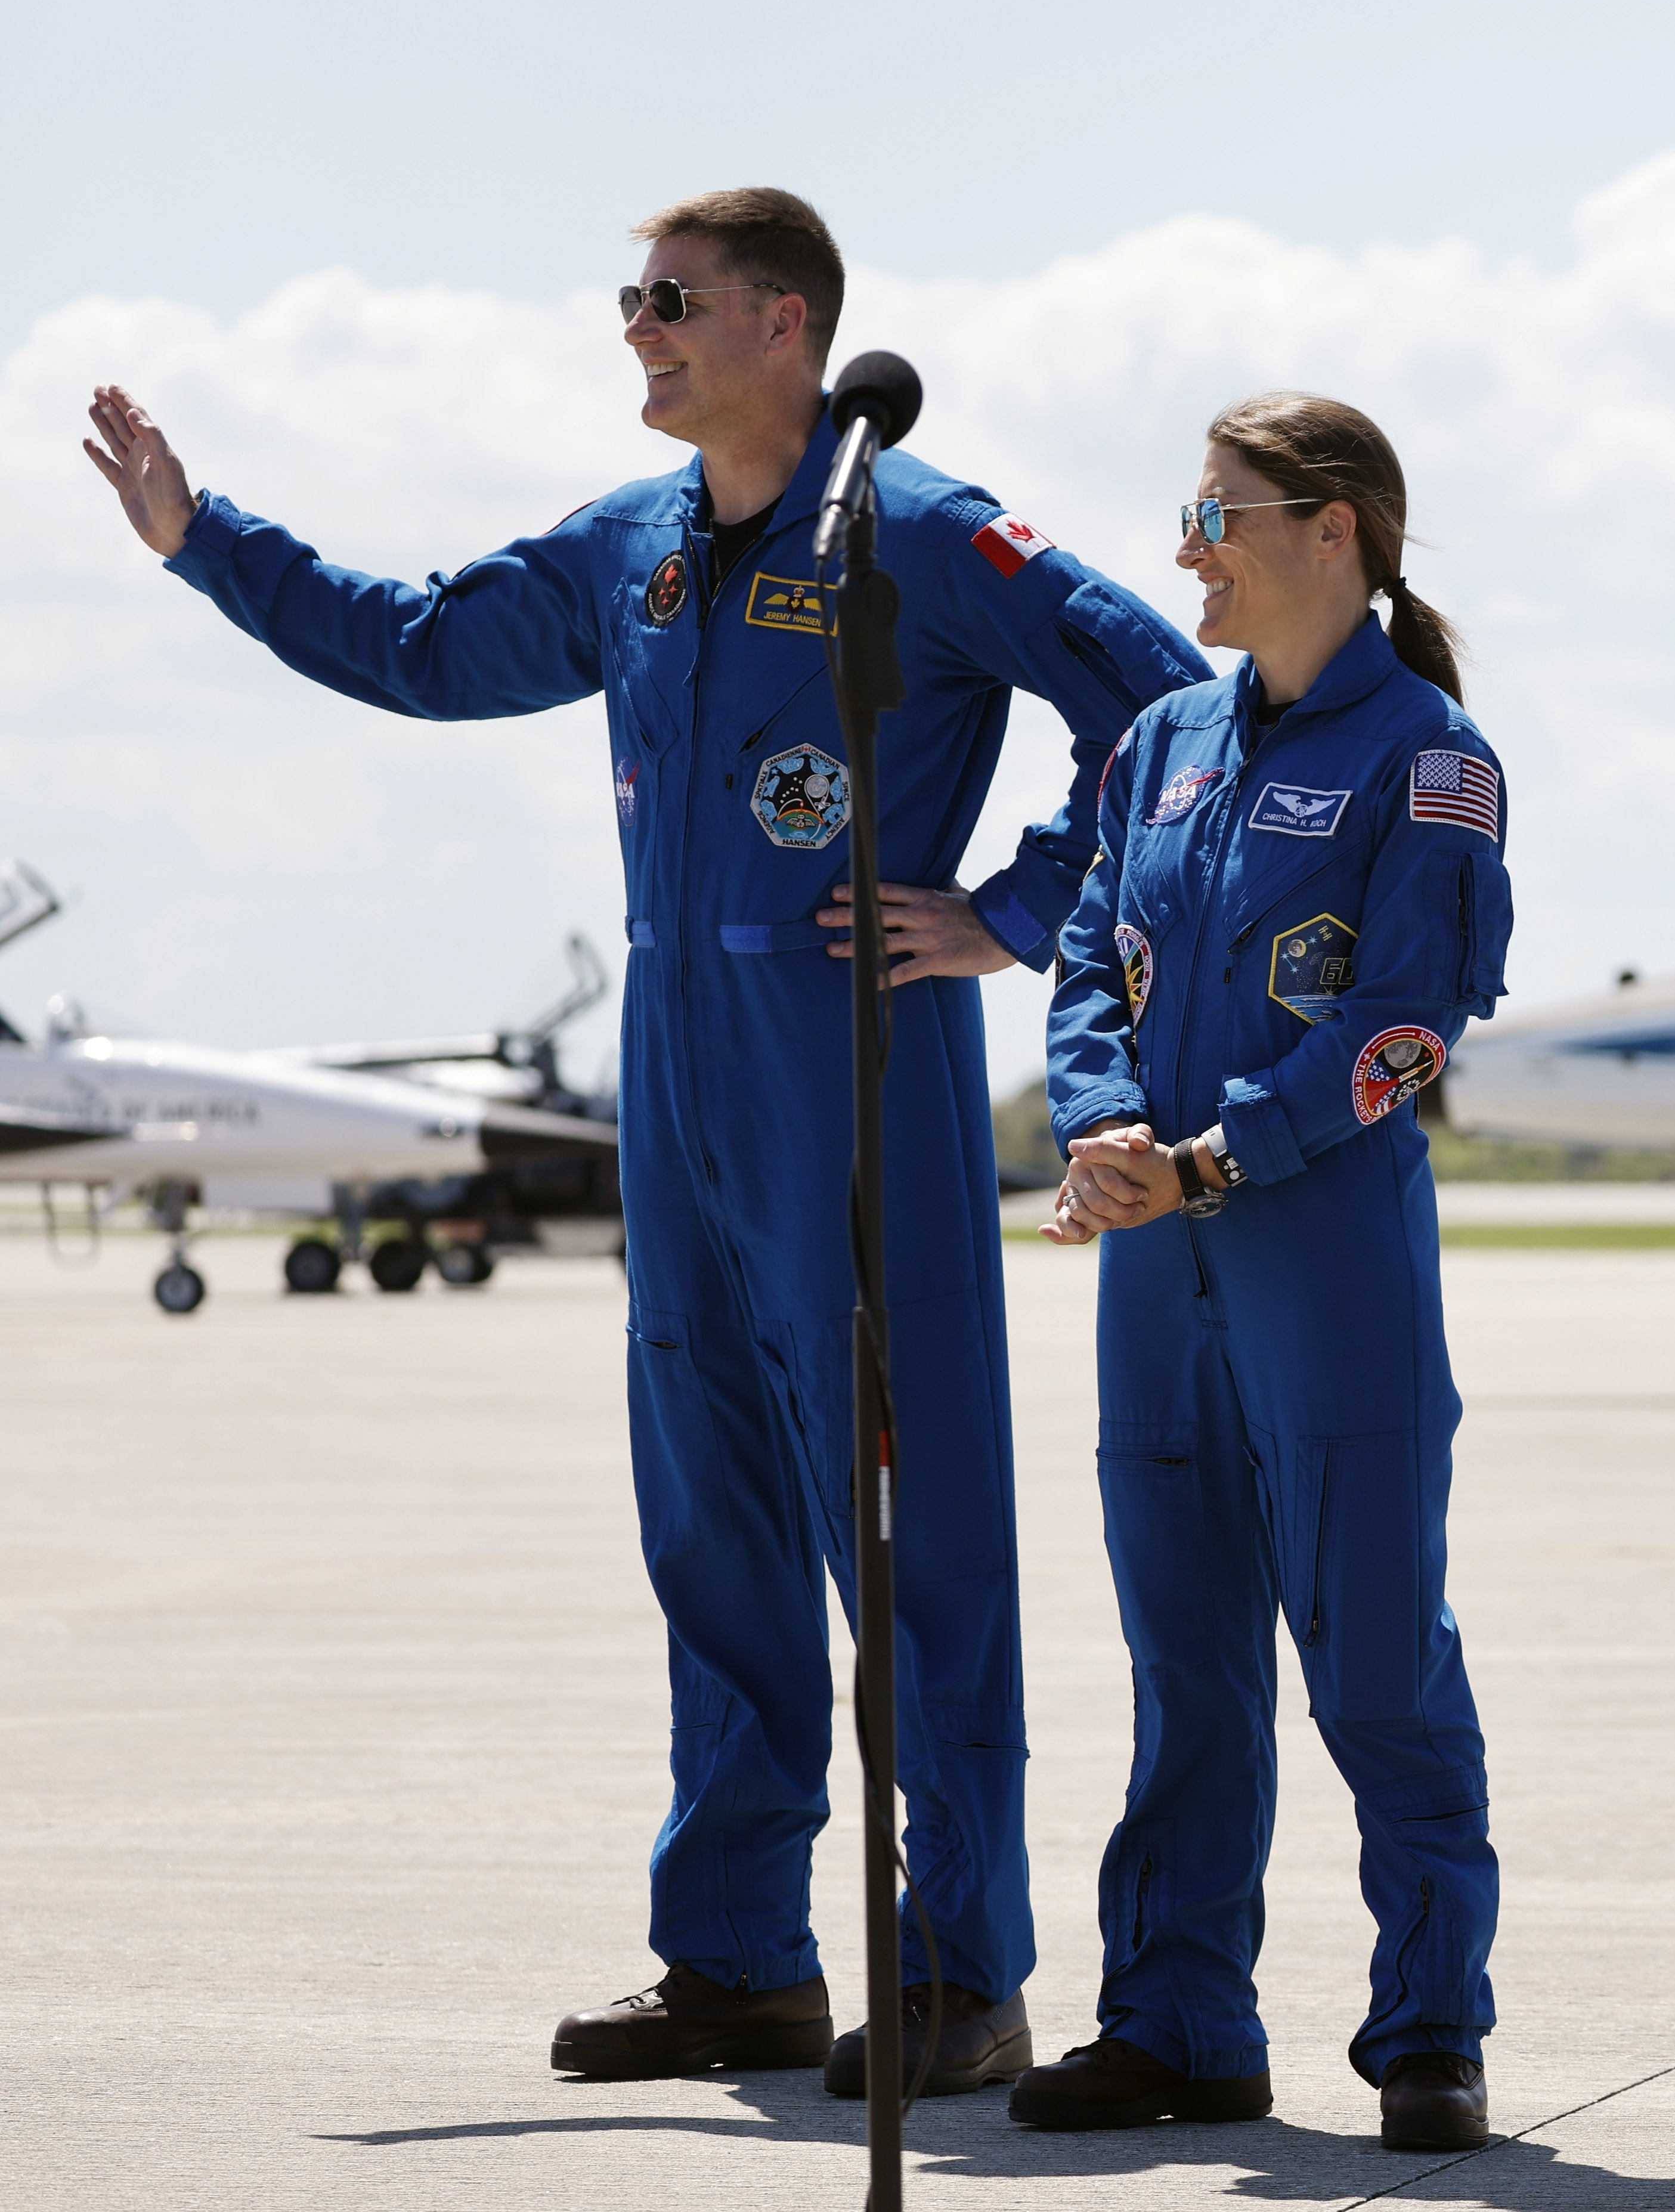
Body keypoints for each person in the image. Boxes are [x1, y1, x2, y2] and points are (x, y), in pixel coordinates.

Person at [81, 187, 1208, 2098]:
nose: (637, 331)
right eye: (630, 298)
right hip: (678, 1063)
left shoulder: (922, 532)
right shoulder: (635, 545)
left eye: (669, 300)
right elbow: (428, 646)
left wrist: (1012, 912)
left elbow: (1169, 709)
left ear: (787, 324)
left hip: (853, 1050)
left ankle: (960, 1965)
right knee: (713, 1514)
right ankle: (740, 1961)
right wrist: (208, 543)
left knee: (909, 1520)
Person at [1023, 392, 1510, 2155]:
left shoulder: (1430, 756)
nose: (1185, 550)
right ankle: (1175, 2017)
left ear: (1335, 529)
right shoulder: (1159, 742)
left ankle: (1431, 2026)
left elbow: (1405, 1025)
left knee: (1375, 1658)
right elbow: (1090, 954)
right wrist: (1096, 1127)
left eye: (1215, 514)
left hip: (1324, 1261)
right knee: (1187, 1669)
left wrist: (1215, 1155)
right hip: (1155, 1274)